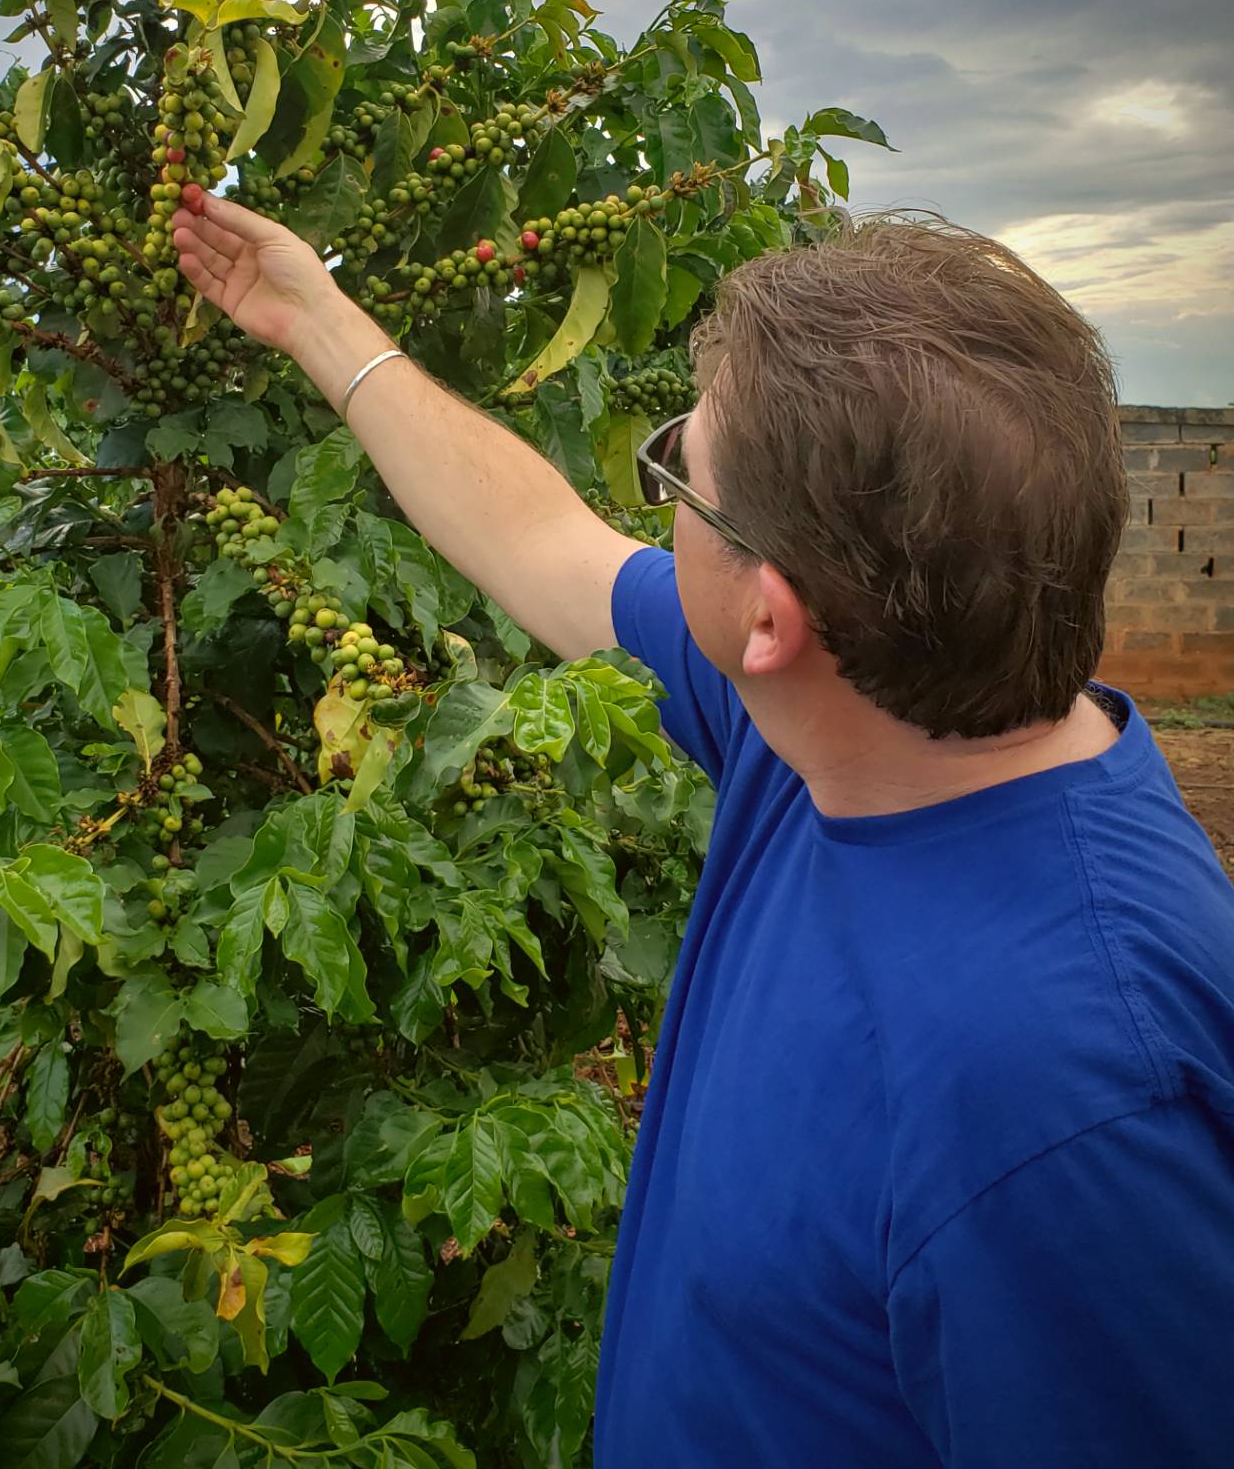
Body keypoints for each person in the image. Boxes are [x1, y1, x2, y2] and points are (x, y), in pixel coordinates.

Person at [172, 191, 1234, 1467]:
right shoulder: (842, 732)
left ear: (769, 615)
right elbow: (540, 540)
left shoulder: (1072, 1110)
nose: (654, 499)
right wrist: (318, 318)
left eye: (676, 466)